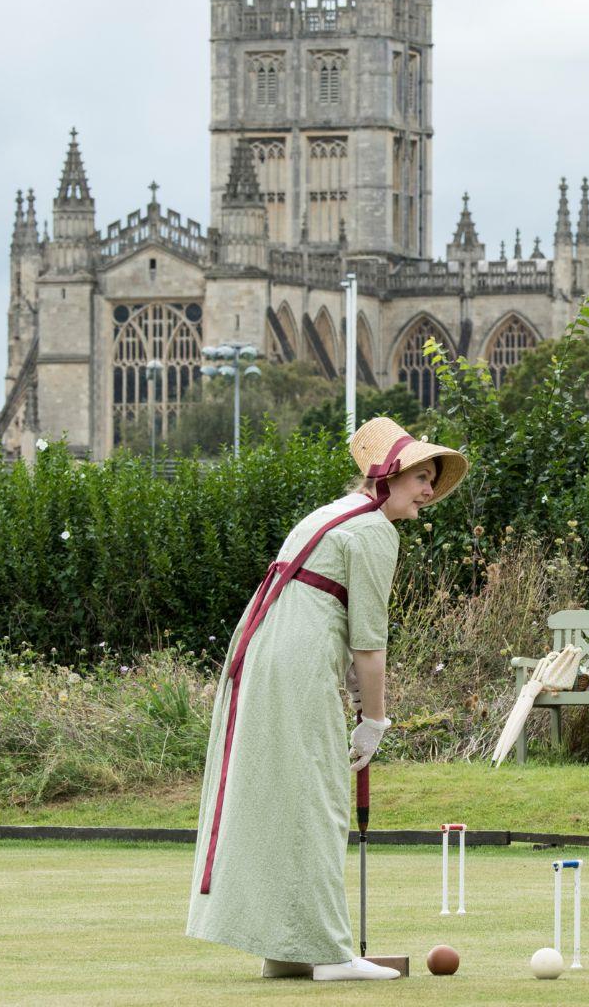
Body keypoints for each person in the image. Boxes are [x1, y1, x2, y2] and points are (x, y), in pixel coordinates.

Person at [186, 417, 467, 981]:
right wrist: (375, 720)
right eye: (421, 478)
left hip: (261, 658)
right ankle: (333, 954)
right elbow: (369, 643)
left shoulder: (331, 513)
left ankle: (288, 950)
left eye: (433, 479)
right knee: (319, 800)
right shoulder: (372, 531)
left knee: (289, 801)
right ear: (387, 477)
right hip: (296, 667)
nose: (430, 490)